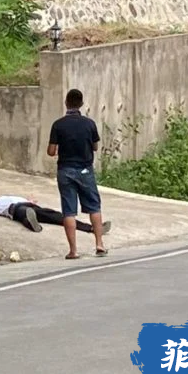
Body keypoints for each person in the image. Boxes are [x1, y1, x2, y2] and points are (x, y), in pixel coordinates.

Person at [47, 89, 108, 260]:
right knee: (94, 207)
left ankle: (73, 251)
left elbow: (51, 151)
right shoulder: (89, 124)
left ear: (66, 103)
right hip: (85, 170)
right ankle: (99, 244)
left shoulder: (58, 125)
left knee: (69, 211)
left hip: (65, 170)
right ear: (81, 104)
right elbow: (95, 147)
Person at [0, 193, 111, 235]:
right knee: (23, 213)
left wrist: (30, 200)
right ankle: (32, 223)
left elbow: (28, 201)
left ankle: (93, 228)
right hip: (15, 208)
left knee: (60, 217)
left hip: (31, 206)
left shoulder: (9, 195)